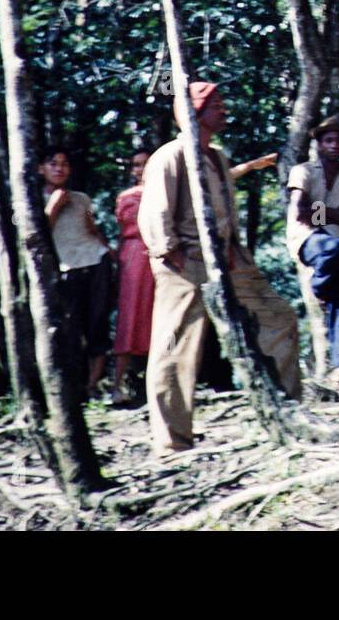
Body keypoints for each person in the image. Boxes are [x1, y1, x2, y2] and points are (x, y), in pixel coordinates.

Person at [137, 80, 302, 456]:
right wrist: (169, 253)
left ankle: (287, 409)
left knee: (279, 318)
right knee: (175, 347)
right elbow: (156, 210)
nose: (223, 111)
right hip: (184, 262)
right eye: (215, 105)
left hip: (229, 260)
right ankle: (171, 441)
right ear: (194, 112)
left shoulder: (216, 156)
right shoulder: (170, 155)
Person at [286, 115, 339, 385]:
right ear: (319, 144)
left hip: (337, 244)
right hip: (307, 239)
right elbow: (300, 212)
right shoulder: (304, 172)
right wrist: (337, 214)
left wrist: (321, 212)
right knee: (335, 247)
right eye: (329, 140)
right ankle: (319, 287)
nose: (335, 145)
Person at [39, 147, 114, 399]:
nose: (59, 168)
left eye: (64, 164)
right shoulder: (32, 200)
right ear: (41, 169)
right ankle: (72, 390)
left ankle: (93, 386)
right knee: (70, 328)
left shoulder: (81, 198)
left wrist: (111, 254)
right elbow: (38, 237)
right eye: (53, 163)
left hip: (96, 262)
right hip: (65, 268)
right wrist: (53, 206)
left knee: (98, 323)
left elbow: (91, 229)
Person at [112, 150, 155, 405]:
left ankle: (159, 384)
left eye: (145, 164)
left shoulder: (167, 189)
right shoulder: (126, 196)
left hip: (161, 253)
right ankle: (117, 385)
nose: (140, 169)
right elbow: (124, 228)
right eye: (136, 164)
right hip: (134, 255)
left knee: (159, 316)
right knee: (129, 316)